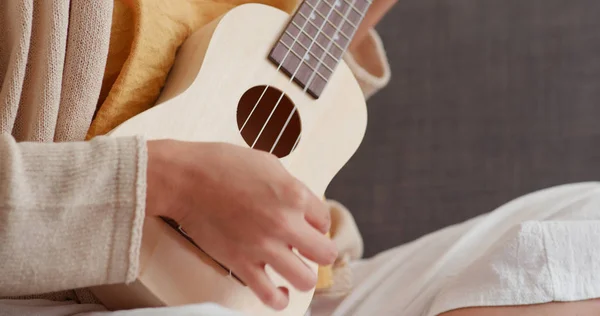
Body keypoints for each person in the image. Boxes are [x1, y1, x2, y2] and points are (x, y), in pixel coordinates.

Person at [2, 1, 600, 316]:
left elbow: (276, 107)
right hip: (49, 288)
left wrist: (353, 15)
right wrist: (170, 184)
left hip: (291, 292)